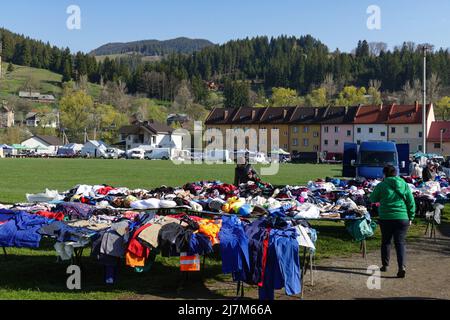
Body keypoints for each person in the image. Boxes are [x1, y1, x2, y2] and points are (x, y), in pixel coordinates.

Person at [370, 165, 416, 278]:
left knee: (386, 241)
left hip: (386, 217)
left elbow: (372, 199)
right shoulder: (404, 184)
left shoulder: (381, 185)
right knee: (400, 243)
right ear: (396, 173)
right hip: (402, 217)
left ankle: (385, 265)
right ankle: (402, 267)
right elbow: (411, 202)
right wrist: (411, 217)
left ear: (384, 174)